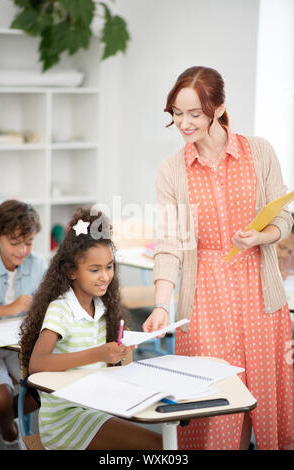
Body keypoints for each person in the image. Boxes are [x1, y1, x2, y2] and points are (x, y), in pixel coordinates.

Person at [143, 66, 294, 450]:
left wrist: (262, 236)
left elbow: (284, 216)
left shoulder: (258, 152)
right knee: (215, 406)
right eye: (177, 113)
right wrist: (161, 304)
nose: (184, 122)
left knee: (264, 402)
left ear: (218, 108)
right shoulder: (171, 170)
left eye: (194, 113)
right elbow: (169, 243)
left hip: (261, 295)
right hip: (204, 301)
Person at [20, 207, 162, 450]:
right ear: (71, 271)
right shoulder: (61, 309)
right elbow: (37, 364)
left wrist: (121, 353)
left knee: (163, 442)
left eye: (109, 267)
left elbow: (110, 368)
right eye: (94, 270)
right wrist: (99, 353)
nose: (105, 276)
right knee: (160, 446)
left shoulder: (104, 308)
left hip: (95, 407)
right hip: (66, 420)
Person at [0, 200, 47, 448]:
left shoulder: (37, 264)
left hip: (19, 346)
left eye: (28, 242)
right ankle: (9, 434)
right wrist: (10, 309)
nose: (22, 250)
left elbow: (51, 303)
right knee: (1, 398)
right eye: (15, 243)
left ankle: (0, 421)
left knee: (43, 388)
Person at [276, 213, 294, 279]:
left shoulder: (290, 259)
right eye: (281, 247)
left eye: (290, 252)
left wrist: (289, 274)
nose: (284, 255)